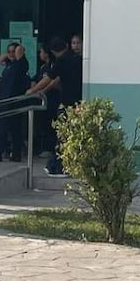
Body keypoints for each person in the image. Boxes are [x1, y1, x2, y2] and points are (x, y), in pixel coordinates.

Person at [27, 36, 82, 177]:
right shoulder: (75, 59)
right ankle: (62, 165)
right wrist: (43, 91)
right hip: (77, 101)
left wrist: (32, 91)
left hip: (68, 102)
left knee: (63, 135)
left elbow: (49, 78)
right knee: (68, 135)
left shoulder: (62, 60)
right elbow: (56, 79)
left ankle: (57, 166)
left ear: (52, 51)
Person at [0, 42, 30, 162]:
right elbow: (0, 60)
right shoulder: (9, 64)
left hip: (13, 100)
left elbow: (20, 54)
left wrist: (19, 51)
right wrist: (8, 55)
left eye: (14, 51)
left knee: (9, 129)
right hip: (5, 99)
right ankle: (12, 154)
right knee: (9, 128)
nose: (12, 54)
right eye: (10, 51)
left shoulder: (22, 64)